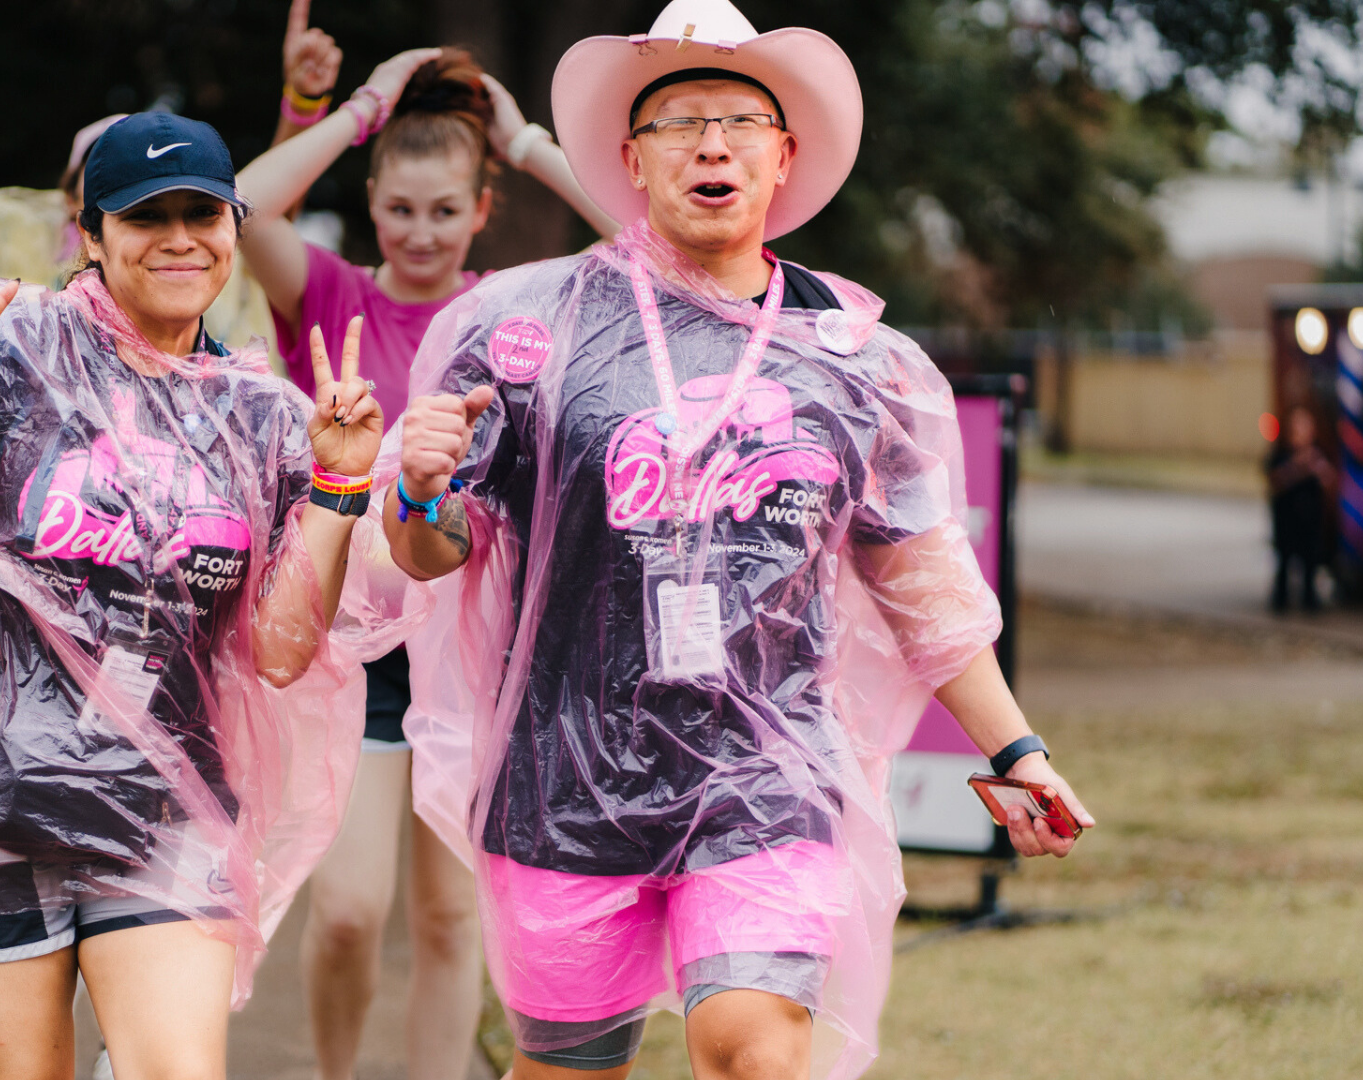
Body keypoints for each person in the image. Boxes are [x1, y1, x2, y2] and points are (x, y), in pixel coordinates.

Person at [371, 2, 1095, 1078]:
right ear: (631, 159)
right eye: (680, 123)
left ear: (784, 155)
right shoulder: (530, 329)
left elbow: (924, 581)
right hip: (564, 779)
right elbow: (434, 554)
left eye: (742, 122)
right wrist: (418, 494)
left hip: (769, 776)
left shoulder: (853, 359)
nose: (712, 145)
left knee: (752, 1049)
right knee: (569, 1068)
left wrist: (1018, 751)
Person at [0, 112, 384, 1080]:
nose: (179, 239)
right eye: (145, 217)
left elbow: (279, 652)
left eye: (201, 214)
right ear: (90, 236)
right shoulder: (5, 356)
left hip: (161, 799)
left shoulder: (261, 417)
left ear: (233, 226)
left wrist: (340, 492)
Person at [233, 45, 619, 1080]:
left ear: (481, 209)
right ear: (371, 202)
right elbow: (239, 208)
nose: (420, 232)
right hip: (355, 644)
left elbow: (647, 239)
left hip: (474, 640)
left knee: (453, 919)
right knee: (350, 911)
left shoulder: (514, 310)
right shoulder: (327, 290)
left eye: (445, 210)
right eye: (400, 209)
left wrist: (526, 142)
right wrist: (359, 109)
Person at [0, 0, 346, 347]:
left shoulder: (219, 270)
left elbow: (273, 210)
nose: (179, 238)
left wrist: (304, 105)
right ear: (79, 215)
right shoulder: (11, 247)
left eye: (200, 210)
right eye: (141, 209)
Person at [1267, 404, 1334, 612]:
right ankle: (1281, 599)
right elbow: (1274, 480)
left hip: (1309, 520)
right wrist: (1296, 467)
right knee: (1285, 561)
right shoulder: (1281, 455)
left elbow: (1329, 482)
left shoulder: (1317, 455)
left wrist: (1317, 468)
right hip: (1287, 520)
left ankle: (1309, 598)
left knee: (1310, 562)